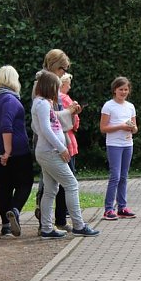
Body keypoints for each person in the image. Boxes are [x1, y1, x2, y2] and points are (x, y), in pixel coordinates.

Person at [30, 70, 99, 239]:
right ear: (49, 87)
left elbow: (51, 123)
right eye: (56, 87)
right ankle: (79, 225)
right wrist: (62, 148)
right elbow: (46, 129)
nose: (58, 91)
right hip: (50, 152)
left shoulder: (42, 103)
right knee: (71, 184)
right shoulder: (42, 104)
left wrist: (68, 113)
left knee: (50, 190)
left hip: (47, 151)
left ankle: (47, 228)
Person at [0, 65, 34, 237]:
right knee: (25, 183)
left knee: (4, 186)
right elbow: (6, 125)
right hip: (15, 150)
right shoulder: (10, 100)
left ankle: (6, 225)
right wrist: (8, 151)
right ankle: (15, 211)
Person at [33, 49, 72, 225]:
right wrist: (62, 148)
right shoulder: (43, 87)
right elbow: (46, 124)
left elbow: (53, 118)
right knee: (67, 184)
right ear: (56, 65)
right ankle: (50, 222)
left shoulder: (51, 84)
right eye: (63, 68)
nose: (65, 72)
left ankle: (53, 223)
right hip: (49, 146)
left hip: (56, 142)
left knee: (52, 187)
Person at [99, 76, 137, 220]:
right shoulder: (108, 106)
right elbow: (103, 128)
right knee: (115, 176)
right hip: (114, 144)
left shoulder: (130, 106)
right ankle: (108, 209)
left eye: (126, 89)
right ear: (115, 90)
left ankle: (122, 207)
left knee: (124, 176)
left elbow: (135, 127)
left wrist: (132, 128)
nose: (123, 92)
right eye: (121, 89)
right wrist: (120, 126)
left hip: (128, 144)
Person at [53, 73, 80, 230]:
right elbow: (72, 123)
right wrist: (74, 113)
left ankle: (56, 219)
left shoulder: (51, 100)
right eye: (68, 83)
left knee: (54, 185)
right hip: (66, 143)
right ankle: (65, 219)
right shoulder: (65, 99)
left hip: (62, 142)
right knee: (69, 182)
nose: (70, 86)